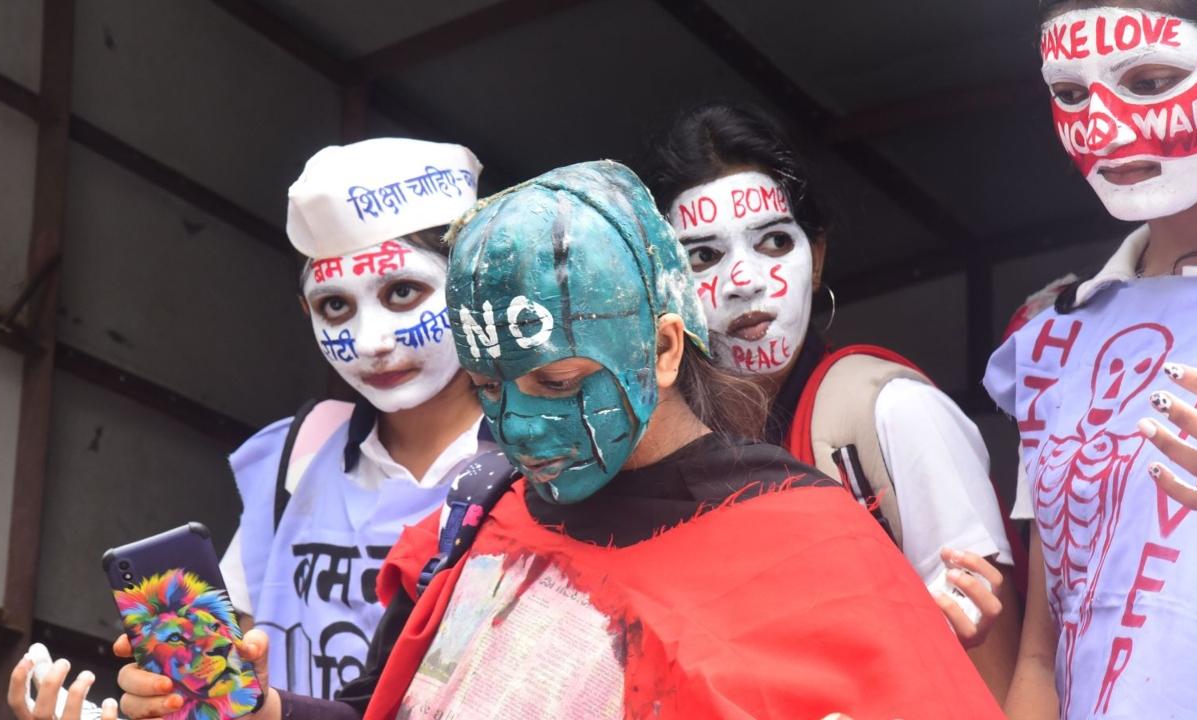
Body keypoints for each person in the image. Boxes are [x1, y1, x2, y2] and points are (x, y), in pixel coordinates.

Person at [109, 161, 1003, 719]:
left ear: (659, 346)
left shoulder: (816, 547)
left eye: (557, 382)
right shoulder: (483, 515)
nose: (521, 426)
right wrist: (265, 712)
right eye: (492, 390)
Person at [642, 102, 1022, 701]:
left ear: (815, 257)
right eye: (703, 257)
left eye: (772, 242)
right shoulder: (658, 451)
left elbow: (997, 684)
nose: (744, 280)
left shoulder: (892, 413)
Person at [986, 2, 1197, 718]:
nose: (1100, 125)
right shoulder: (1052, 342)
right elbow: (1042, 651)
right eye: (1070, 94)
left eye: (1152, 80)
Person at [217, 137, 498, 701]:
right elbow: (233, 670)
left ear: (476, 284)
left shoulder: (545, 465)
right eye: (335, 306)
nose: (372, 343)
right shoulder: (296, 456)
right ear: (306, 311)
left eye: (403, 292)